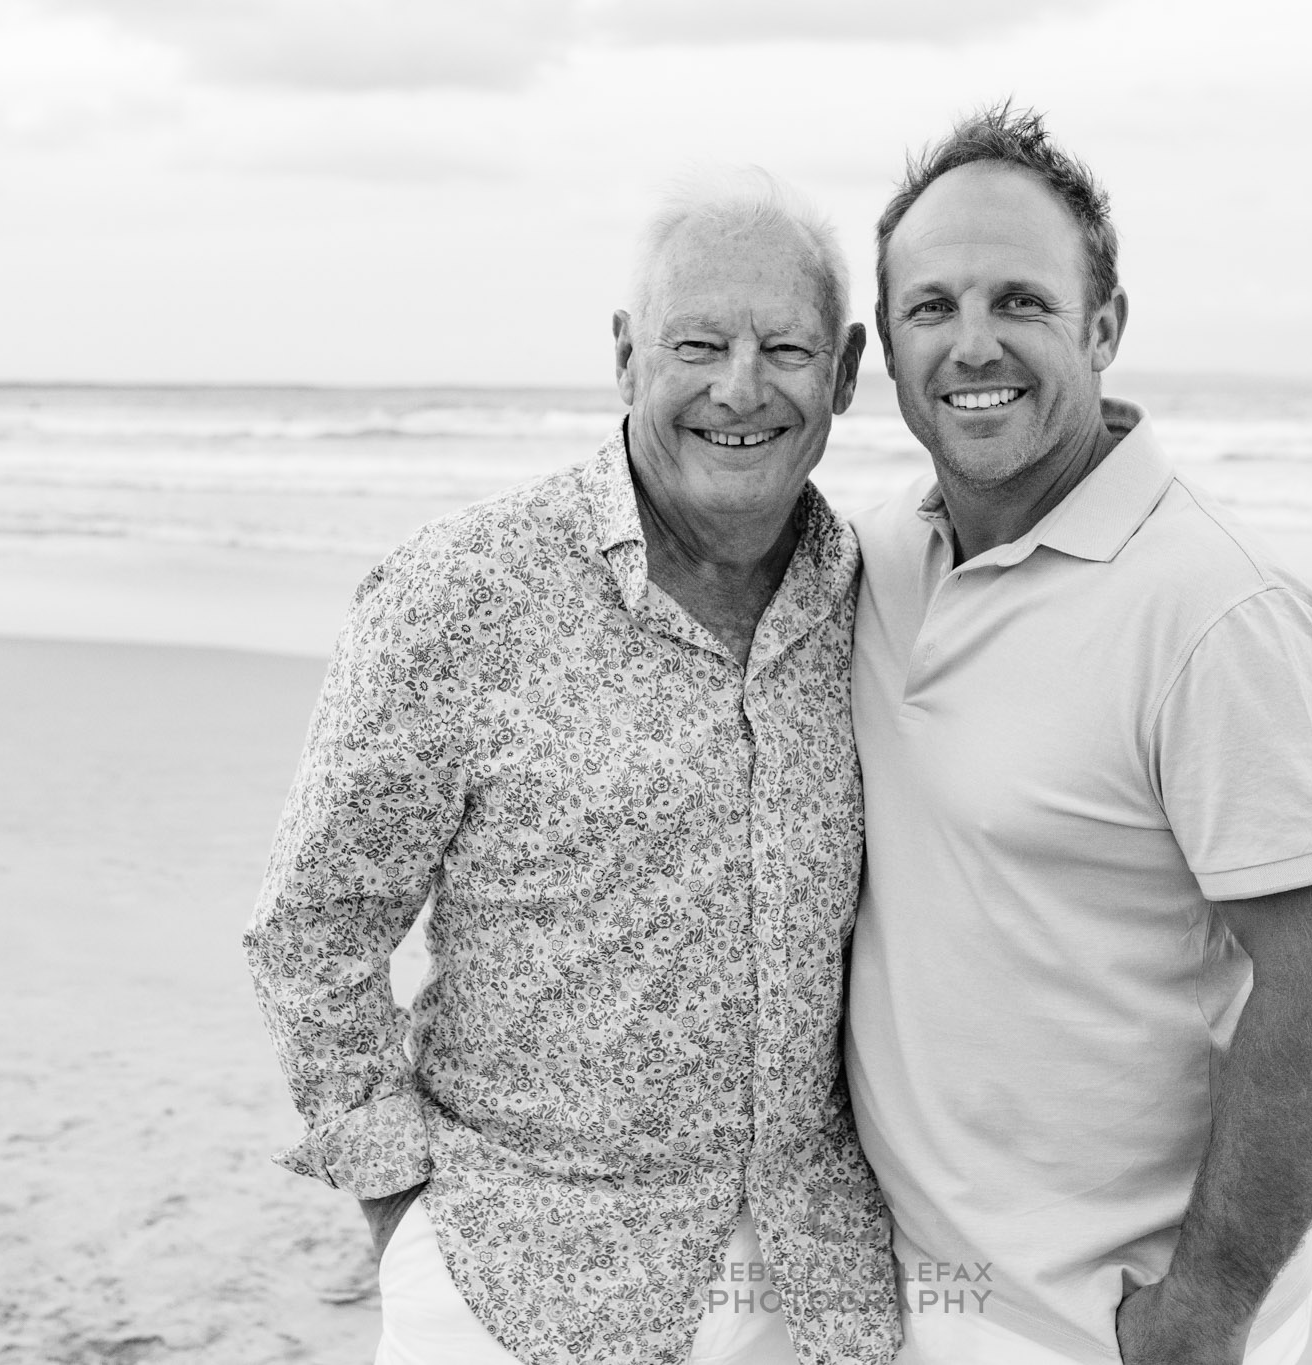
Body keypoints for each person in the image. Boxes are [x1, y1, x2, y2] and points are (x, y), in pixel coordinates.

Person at [245, 170, 898, 1365]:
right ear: (625, 357)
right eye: (695, 344)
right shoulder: (462, 593)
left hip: (810, 1287)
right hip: (512, 1280)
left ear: (845, 371)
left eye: (784, 348)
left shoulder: (872, 599)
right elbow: (312, 931)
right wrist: (402, 1216)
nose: (739, 388)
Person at [846, 106, 1312, 1365]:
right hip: (893, 1291)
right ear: (886, 346)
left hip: (1096, 1328)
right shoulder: (871, 563)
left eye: (1019, 301)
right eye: (931, 307)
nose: (971, 343)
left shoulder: (1218, 612)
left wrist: (1206, 1307)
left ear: (1101, 326)